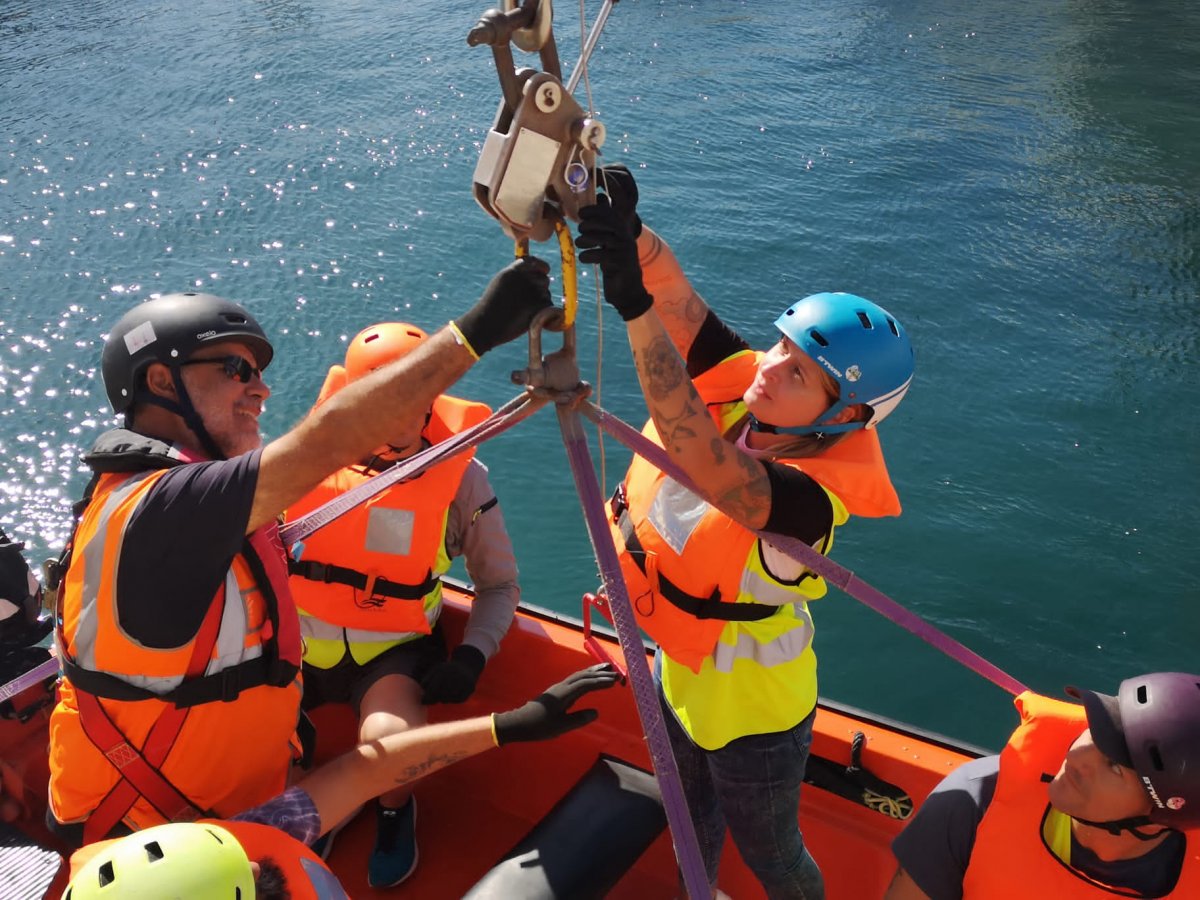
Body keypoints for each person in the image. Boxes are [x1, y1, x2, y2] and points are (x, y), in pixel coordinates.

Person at [47, 257, 553, 848]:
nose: (260, 387)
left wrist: (489, 701)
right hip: (159, 845)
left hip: (213, 817)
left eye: (258, 373)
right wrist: (478, 330)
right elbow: (339, 434)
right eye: (237, 369)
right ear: (161, 382)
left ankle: (378, 816)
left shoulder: (163, 498)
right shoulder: (168, 511)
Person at [575, 165, 915, 899]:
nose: (770, 369)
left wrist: (629, 309)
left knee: (773, 854)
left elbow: (699, 456)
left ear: (845, 418)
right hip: (680, 671)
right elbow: (676, 301)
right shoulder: (748, 389)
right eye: (780, 347)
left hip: (757, 717)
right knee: (689, 823)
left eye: (800, 373)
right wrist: (633, 235)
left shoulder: (811, 505)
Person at [285, 321, 521, 886]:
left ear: (428, 405)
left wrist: (472, 656)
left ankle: (394, 811)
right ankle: (320, 807)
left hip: (392, 651)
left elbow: (499, 584)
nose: (391, 425)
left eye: (406, 405)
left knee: (386, 745)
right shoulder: (300, 462)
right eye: (374, 407)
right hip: (298, 647)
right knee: (266, 758)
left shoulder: (463, 480)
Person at [61, 663, 621, 899]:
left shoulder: (238, 846)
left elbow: (365, 770)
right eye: (257, 883)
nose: (259, 861)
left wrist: (507, 726)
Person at [884, 671, 1200, 900]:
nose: (1078, 756)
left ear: (1161, 814)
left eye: (1114, 767)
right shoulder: (976, 800)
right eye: (1094, 729)